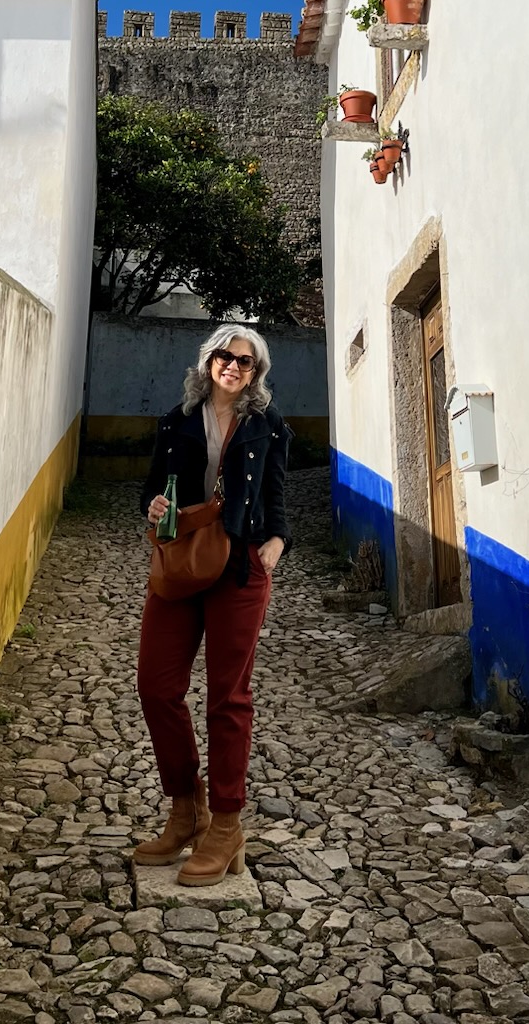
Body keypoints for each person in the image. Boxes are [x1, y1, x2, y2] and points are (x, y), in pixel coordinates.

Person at [134, 323, 292, 885]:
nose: (233, 366)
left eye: (245, 362)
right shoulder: (175, 423)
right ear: (207, 362)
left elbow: (276, 493)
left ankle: (225, 826)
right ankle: (187, 809)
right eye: (224, 356)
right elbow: (152, 488)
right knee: (156, 686)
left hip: (240, 569)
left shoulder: (267, 425)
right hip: (180, 566)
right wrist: (155, 505)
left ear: (256, 374)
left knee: (228, 697)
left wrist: (276, 543)